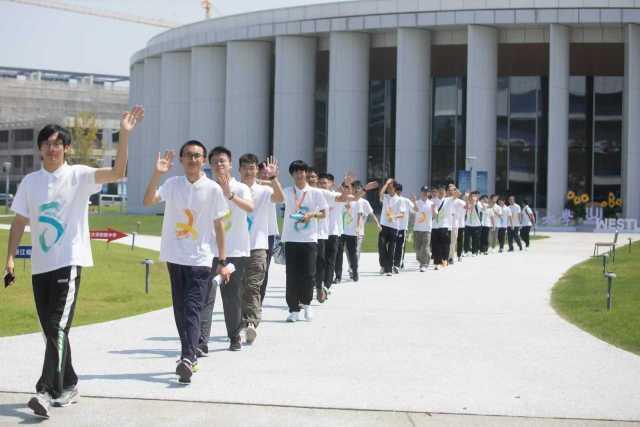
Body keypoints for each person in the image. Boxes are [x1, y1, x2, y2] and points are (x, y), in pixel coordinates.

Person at [4, 108, 143, 417]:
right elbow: (19, 223)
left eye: (58, 143)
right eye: (47, 143)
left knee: (56, 326)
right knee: (52, 332)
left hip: (69, 262)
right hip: (40, 266)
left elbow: (118, 172)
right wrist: (10, 259)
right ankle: (68, 383)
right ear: (40, 148)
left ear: (66, 147)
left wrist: (125, 135)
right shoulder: (30, 182)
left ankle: (45, 391)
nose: (53, 148)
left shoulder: (79, 175)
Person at [144, 140, 230, 383]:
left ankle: (187, 357)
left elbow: (219, 225)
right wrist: (157, 173)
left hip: (201, 259)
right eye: (189, 156)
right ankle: (188, 356)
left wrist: (222, 260)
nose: (193, 159)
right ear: (181, 160)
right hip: (175, 256)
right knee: (181, 310)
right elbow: (148, 200)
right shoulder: (172, 184)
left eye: (198, 156)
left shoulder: (212, 189)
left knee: (192, 307)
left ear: (204, 161)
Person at [199, 146, 254, 353]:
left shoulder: (240, 188)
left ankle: (234, 336)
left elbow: (250, 208)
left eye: (222, 161)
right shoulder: (207, 189)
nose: (219, 165)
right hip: (209, 252)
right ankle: (202, 340)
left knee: (231, 297)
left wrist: (230, 195)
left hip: (236, 252)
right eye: (214, 162)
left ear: (230, 164)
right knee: (207, 295)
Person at [239, 154, 284, 345]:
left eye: (252, 168)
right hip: (236, 246)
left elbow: (280, 197)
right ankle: (241, 320)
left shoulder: (264, 190)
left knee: (254, 285)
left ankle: (251, 323)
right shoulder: (233, 188)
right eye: (245, 168)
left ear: (256, 170)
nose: (249, 171)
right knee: (238, 287)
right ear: (239, 169)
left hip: (258, 244)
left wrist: (273, 178)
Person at [281, 160, 328, 322]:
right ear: (292, 175)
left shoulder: (315, 193)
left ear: (306, 173)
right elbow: (273, 194)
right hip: (291, 239)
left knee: (309, 273)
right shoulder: (287, 192)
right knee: (291, 275)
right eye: (296, 172)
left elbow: (323, 214)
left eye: (302, 171)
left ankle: (307, 305)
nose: (300, 175)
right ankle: (294, 309)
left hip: (309, 239)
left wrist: (311, 215)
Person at [258, 161, 280, 303]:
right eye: (263, 173)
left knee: (264, 268)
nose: (266, 175)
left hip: (269, 233)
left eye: (268, 173)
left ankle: (259, 299)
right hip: (253, 232)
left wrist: (273, 177)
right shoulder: (252, 186)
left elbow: (279, 192)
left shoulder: (272, 188)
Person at [377, 179, 406, 276]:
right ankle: (383, 265)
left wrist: (393, 216)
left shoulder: (400, 200)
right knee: (381, 246)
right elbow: (380, 194)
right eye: (388, 188)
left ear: (395, 188)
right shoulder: (385, 197)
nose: (388, 189)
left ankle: (388, 269)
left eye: (390, 187)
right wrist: (386, 183)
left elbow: (402, 214)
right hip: (383, 225)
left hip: (394, 227)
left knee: (391, 248)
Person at [411, 186, 434, 272]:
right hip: (417, 228)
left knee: (425, 247)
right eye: (423, 191)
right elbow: (414, 211)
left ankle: (424, 264)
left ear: (428, 193)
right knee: (417, 248)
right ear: (421, 192)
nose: (425, 193)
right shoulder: (417, 202)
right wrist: (413, 202)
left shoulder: (431, 203)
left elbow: (435, 215)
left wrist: (433, 209)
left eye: (426, 191)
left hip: (427, 229)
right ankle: (421, 260)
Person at [430, 186, 453, 270]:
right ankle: (437, 262)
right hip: (434, 226)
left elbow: (457, 195)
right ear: (437, 192)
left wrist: (453, 189)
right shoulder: (432, 201)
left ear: (445, 193)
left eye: (443, 192)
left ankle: (445, 260)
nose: (441, 194)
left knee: (445, 244)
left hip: (445, 225)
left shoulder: (448, 200)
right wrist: (433, 210)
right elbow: (433, 214)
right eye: (439, 192)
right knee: (435, 245)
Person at [393, 183, 414, 272]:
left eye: (397, 190)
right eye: (395, 190)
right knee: (393, 246)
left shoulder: (406, 201)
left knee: (400, 246)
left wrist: (414, 202)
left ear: (400, 191)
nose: (396, 192)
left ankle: (398, 264)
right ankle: (394, 263)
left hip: (402, 227)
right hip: (392, 227)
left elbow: (414, 210)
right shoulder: (392, 200)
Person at [464, 191, 482, 256]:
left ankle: (474, 251)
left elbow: (474, 207)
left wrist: (474, 202)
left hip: (477, 225)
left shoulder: (479, 204)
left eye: (474, 196)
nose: (473, 197)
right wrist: (466, 199)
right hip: (468, 224)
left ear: (477, 197)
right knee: (466, 239)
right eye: (471, 196)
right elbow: (466, 208)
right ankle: (466, 251)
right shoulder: (468, 203)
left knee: (475, 239)